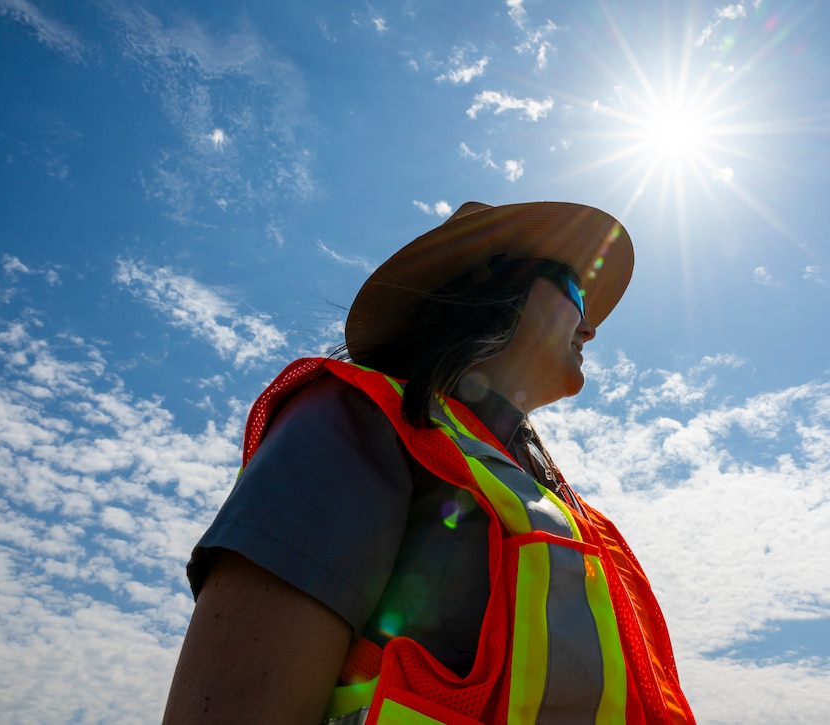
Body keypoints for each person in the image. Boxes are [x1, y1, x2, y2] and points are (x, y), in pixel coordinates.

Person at [163, 201, 696, 724]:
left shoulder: (572, 514)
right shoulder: (357, 418)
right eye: (577, 292)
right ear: (492, 287)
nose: (590, 327)